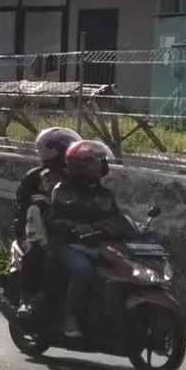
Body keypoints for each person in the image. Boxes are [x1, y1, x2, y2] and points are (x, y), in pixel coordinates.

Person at [46, 139, 119, 338]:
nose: (103, 165)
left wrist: (134, 227)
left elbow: (115, 217)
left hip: (97, 245)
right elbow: (53, 221)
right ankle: (71, 319)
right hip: (67, 245)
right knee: (83, 270)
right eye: (97, 161)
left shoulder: (104, 193)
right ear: (82, 165)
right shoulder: (64, 191)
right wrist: (75, 228)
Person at [13, 126, 79, 309]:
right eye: (65, 146)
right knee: (38, 253)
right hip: (35, 231)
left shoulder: (75, 176)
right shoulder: (35, 178)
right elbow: (21, 211)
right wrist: (25, 236)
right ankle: (26, 299)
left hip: (65, 232)